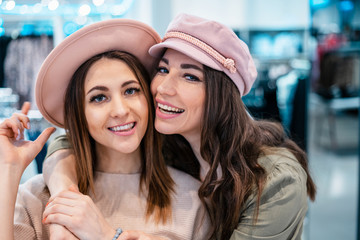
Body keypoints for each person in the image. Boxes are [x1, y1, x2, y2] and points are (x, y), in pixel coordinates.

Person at [43, 14, 316, 240]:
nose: (163, 87)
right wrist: (64, 198)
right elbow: (69, 142)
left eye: (189, 76)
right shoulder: (167, 140)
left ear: (222, 94)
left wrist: (106, 235)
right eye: (162, 70)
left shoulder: (275, 182)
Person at [0, 18, 209, 240]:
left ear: (149, 98)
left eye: (131, 91)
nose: (120, 110)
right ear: (79, 113)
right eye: (99, 97)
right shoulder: (38, 197)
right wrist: (9, 168)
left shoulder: (193, 200)